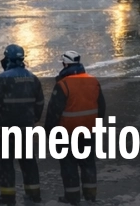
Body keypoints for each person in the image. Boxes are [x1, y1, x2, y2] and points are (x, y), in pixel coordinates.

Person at [0, 45, 44, 204]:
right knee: (28, 162)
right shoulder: (33, 78)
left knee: (5, 163)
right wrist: (33, 119)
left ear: (7, 58)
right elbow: (39, 103)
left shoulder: (1, 79)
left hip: (5, 130)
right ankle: (34, 195)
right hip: (26, 129)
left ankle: (8, 196)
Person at [44, 51, 105, 204]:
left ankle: (72, 197)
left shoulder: (63, 85)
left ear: (65, 64)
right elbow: (101, 107)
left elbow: (53, 111)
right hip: (88, 132)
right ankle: (90, 196)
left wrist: (49, 131)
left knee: (68, 165)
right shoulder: (93, 81)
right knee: (88, 164)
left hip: (67, 134)